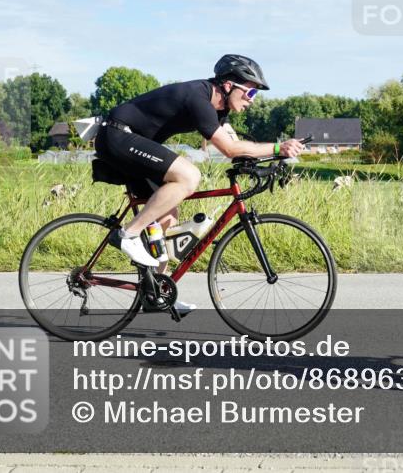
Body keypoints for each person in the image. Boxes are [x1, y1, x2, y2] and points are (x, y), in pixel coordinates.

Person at [94, 54, 306, 311]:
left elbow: (238, 147)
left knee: (166, 218)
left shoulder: (220, 111)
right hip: (117, 134)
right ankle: (127, 235)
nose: (252, 101)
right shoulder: (199, 97)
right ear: (229, 85)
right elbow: (228, 149)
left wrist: (272, 158)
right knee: (189, 176)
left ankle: (155, 295)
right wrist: (277, 146)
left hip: (135, 143)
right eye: (250, 93)